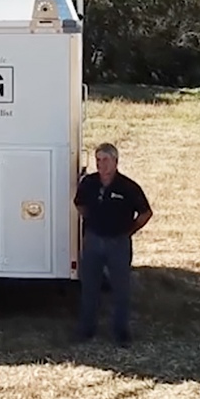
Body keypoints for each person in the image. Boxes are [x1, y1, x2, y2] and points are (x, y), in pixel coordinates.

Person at [72, 142, 151, 345]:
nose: (101, 165)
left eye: (105, 160)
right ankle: (86, 329)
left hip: (118, 243)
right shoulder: (89, 183)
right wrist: (91, 222)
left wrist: (129, 230)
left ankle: (120, 332)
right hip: (93, 241)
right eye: (98, 160)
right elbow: (79, 203)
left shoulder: (128, 187)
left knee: (121, 289)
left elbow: (145, 212)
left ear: (116, 162)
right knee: (89, 286)